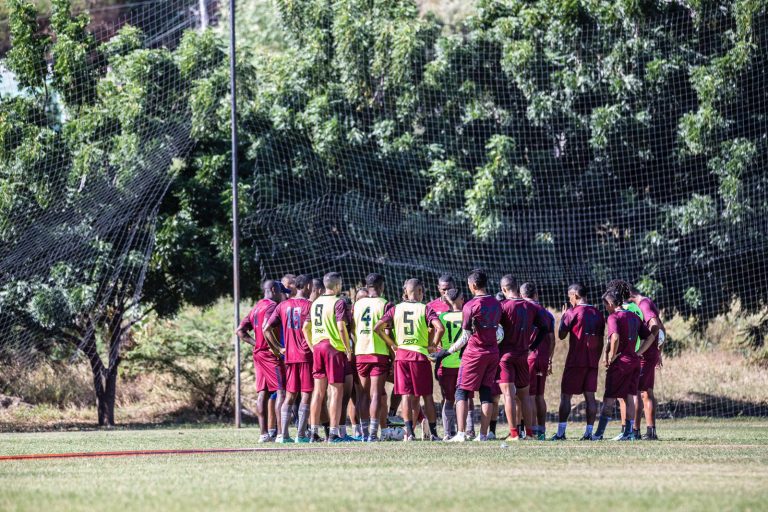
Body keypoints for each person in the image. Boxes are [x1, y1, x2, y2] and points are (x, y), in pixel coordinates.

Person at [432, 269, 503, 442]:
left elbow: (465, 336)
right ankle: (483, 435)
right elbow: (500, 332)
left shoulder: (470, 306)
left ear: (472, 285)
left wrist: (447, 351)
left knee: (461, 392)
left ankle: (461, 433)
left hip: (474, 354)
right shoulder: (496, 303)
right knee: (486, 392)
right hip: (493, 352)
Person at [374, 278, 444, 441]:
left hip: (402, 357)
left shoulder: (395, 309)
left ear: (406, 291)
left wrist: (393, 344)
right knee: (427, 396)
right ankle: (433, 434)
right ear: (419, 291)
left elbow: (377, 327)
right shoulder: (425, 308)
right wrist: (433, 345)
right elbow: (440, 328)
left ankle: (410, 434)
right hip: (419, 357)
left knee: (405, 395)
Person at [592, 290, 655, 441]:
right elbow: (651, 336)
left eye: (605, 305)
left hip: (621, 364)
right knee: (629, 397)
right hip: (634, 362)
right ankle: (629, 433)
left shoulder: (614, 317)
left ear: (611, 304)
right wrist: (638, 352)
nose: (605, 308)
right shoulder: (634, 316)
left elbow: (615, 337)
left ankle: (599, 434)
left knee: (609, 398)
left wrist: (612, 357)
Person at [497, 275, 550, 440]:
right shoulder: (530, 307)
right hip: (523, 356)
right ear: (517, 287)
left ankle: (514, 434)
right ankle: (529, 433)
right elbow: (545, 328)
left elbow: (494, 330)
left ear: (504, 289)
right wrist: (532, 347)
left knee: (508, 395)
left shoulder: (502, 307)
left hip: (505, 356)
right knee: (525, 395)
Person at [552, 283, 605, 441]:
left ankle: (561, 433)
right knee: (590, 396)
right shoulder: (598, 313)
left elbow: (561, 335)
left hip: (575, 361)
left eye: (570, 297)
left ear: (575, 295)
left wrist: (563, 319)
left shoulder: (572, 312)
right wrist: (597, 358)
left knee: (566, 396)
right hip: (592, 361)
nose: (569, 301)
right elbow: (601, 340)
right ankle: (588, 433)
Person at [303, 272, 352, 443]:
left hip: (318, 348)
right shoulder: (338, 302)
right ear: (338, 285)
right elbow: (340, 327)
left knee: (318, 392)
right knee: (336, 392)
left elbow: (305, 328)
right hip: (333, 348)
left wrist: (312, 346)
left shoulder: (315, 303)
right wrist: (347, 348)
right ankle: (332, 434)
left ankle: (313, 433)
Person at [265, 274, 313, 443]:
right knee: (306, 394)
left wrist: (277, 348)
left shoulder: (283, 306)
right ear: (307, 286)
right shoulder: (310, 305)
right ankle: (301, 435)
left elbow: (266, 329)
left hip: (289, 356)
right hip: (307, 355)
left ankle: (283, 435)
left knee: (289, 395)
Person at [236, 280, 286, 443]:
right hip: (270, 355)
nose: (282, 295)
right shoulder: (272, 306)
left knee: (263, 393)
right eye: (280, 291)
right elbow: (266, 327)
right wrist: (277, 348)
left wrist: (256, 344)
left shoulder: (256, 307)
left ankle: (264, 434)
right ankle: (280, 434)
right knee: (281, 391)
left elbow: (240, 331)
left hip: (258, 354)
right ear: (273, 289)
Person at [354, 274, 395, 442]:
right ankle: (372, 433)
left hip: (361, 352)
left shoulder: (357, 304)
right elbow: (387, 331)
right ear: (381, 286)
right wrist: (393, 353)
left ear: (366, 285)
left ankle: (364, 434)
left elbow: (352, 327)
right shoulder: (386, 304)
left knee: (363, 395)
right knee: (376, 394)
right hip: (378, 352)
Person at [628, 287, 666, 440]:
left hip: (645, 355)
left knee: (638, 392)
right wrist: (659, 351)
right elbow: (663, 329)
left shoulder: (643, 304)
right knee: (647, 392)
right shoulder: (648, 302)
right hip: (651, 353)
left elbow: (655, 325)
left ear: (630, 295)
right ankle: (651, 431)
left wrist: (645, 345)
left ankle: (635, 431)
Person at [521, 282, 555, 440]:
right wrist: (549, 359)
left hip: (529, 357)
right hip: (543, 357)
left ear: (522, 295)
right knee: (540, 395)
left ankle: (532, 430)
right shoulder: (548, 314)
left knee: (529, 395)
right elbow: (552, 339)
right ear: (536, 295)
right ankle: (541, 430)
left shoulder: (523, 310)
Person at [435, 288, 464, 439]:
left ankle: (447, 433)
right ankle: (467, 430)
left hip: (446, 363)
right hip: (464, 363)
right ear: (461, 299)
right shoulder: (467, 316)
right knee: (466, 398)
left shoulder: (443, 317)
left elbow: (438, 341)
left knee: (448, 399)